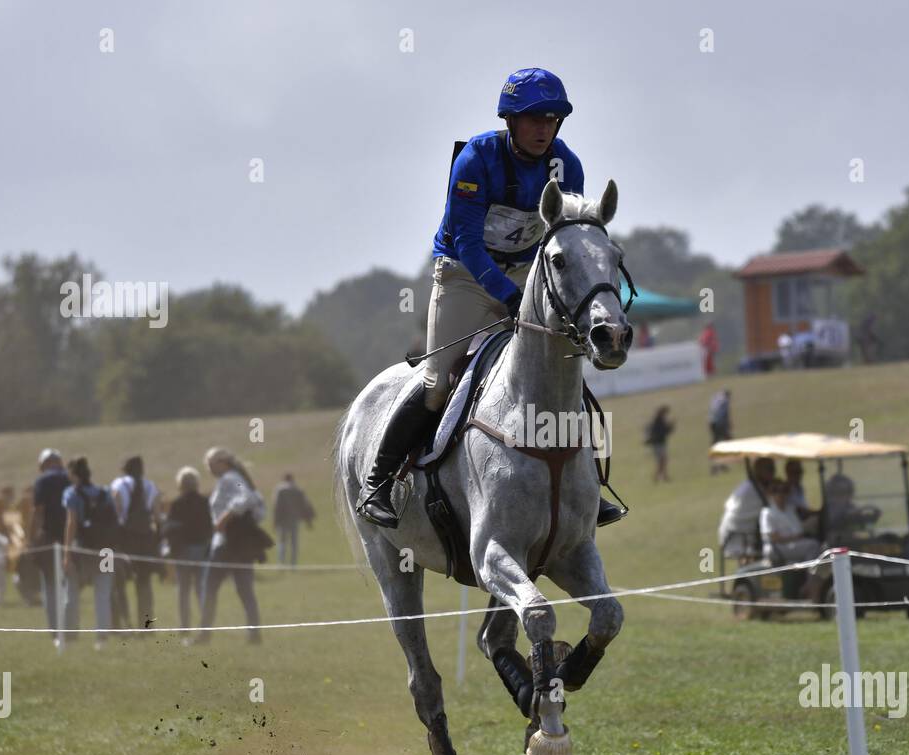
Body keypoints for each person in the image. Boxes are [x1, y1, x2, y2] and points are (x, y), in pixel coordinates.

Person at [356, 67, 624, 531]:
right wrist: (507, 295)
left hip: (526, 272)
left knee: (565, 372)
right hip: (465, 275)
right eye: (533, 119)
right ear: (511, 121)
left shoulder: (567, 166)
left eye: (551, 119)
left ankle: (591, 487)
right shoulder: (477, 159)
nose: (543, 129)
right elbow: (466, 240)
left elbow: (569, 240)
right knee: (439, 380)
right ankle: (377, 482)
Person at [191, 447, 267, 646]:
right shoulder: (236, 477)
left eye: (210, 464)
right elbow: (258, 506)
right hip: (238, 545)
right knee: (245, 591)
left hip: (225, 545)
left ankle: (204, 634)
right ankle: (254, 635)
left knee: (209, 589)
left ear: (221, 463)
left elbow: (247, 498)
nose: (208, 469)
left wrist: (224, 519)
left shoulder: (230, 479)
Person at [61, 456, 117, 650]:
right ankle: (102, 638)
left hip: (81, 549)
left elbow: (71, 523)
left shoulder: (71, 494)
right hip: (106, 550)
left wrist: (66, 554)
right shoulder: (105, 492)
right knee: (103, 593)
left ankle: (70, 635)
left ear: (74, 475)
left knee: (72, 592)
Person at [110, 456, 163, 630]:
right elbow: (156, 517)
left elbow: (115, 514)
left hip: (125, 539)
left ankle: (123, 623)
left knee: (119, 582)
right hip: (145, 540)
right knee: (145, 585)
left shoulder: (119, 485)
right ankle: (147, 626)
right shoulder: (150, 486)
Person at [162, 466, 213, 632]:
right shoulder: (205, 502)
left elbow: (170, 528)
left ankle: (184, 627)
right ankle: (205, 626)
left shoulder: (177, 504)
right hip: (202, 549)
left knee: (183, 591)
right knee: (201, 589)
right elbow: (210, 527)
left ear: (181, 484)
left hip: (183, 551)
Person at [30, 448, 70, 636]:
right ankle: (70, 627)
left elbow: (38, 511)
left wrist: (32, 538)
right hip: (70, 537)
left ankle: (55, 629)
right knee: (69, 584)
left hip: (48, 537)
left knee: (50, 585)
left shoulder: (42, 481)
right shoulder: (71, 478)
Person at [718, 457, 777, 559]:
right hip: (737, 537)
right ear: (759, 471)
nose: (773, 473)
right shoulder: (752, 490)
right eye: (770, 469)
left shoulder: (754, 486)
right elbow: (774, 509)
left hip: (738, 535)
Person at [759, 480, 821, 565]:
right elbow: (775, 538)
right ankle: (812, 576)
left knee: (820, 546)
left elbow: (799, 530)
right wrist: (795, 537)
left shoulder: (790, 509)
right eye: (776, 490)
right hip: (776, 548)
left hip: (792, 543)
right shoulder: (767, 513)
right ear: (770, 494)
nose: (780, 494)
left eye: (784, 490)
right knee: (813, 545)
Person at [271, 473, 315, 566]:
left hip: (283, 520)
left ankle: (281, 563)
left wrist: (275, 521)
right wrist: (308, 521)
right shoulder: (298, 490)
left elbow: (277, 507)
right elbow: (304, 506)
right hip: (294, 519)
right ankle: (293, 564)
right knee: (294, 543)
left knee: (282, 542)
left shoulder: (280, 490)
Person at [645, 405, 674, 482]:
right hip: (658, 444)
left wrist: (670, 427)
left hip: (660, 444)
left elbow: (665, 431)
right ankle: (658, 477)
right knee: (661, 461)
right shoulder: (658, 421)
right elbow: (662, 432)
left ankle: (663, 476)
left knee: (663, 461)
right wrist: (670, 427)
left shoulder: (659, 420)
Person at [708, 389, 732, 475]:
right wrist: (729, 424)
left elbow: (711, 412)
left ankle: (719, 466)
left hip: (712, 424)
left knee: (716, 445)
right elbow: (725, 414)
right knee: (725, 444)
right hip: (720, 424)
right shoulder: (725, 400)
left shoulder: (715, 398)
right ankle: (719, 466)